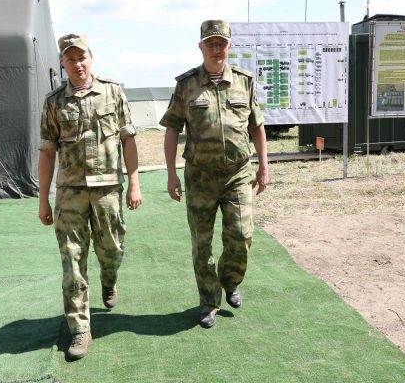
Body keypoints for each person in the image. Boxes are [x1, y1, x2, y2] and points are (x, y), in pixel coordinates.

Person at [38, 33, 142, 360]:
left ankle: (108, 280)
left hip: (109, 187)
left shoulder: (112, 92)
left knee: (111, 250)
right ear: (63, 64)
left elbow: (129, 139)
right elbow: (46, 152)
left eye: (81, 57)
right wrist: (44, 198)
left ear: (91, 57)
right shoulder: (54, 102)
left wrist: (135, 182)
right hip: (70, 191)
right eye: (70, 59)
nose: (77, 64)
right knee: (72, 259)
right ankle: (80, 328)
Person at [160, 20, 269, 328]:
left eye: (221, 43)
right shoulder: (187, 85)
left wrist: (264, 166)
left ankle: (230, 280)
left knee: (241, 236)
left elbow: (257, 127)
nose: (216, 49)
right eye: (211, 44)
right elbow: (171, 130)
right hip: (200, 177)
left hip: (237, 174)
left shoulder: (244, 82)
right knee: (202, 243)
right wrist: (171, 174)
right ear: (201, 47)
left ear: (229, 46)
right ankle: (209, 302)